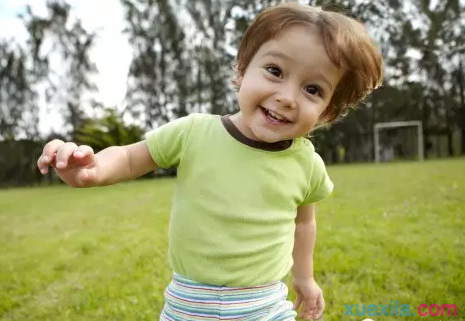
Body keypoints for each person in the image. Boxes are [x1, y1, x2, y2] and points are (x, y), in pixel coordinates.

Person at [37, 2, 383, 320]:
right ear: (242, 71)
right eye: (275, 70)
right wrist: (93, 168)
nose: (287, 97)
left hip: (264, 306)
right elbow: (129, 157)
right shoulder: (193, 133)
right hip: (188, 305)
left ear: (328, 112)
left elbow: (304, 223)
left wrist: (304, 277)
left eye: (313, 90)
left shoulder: (305, 163)